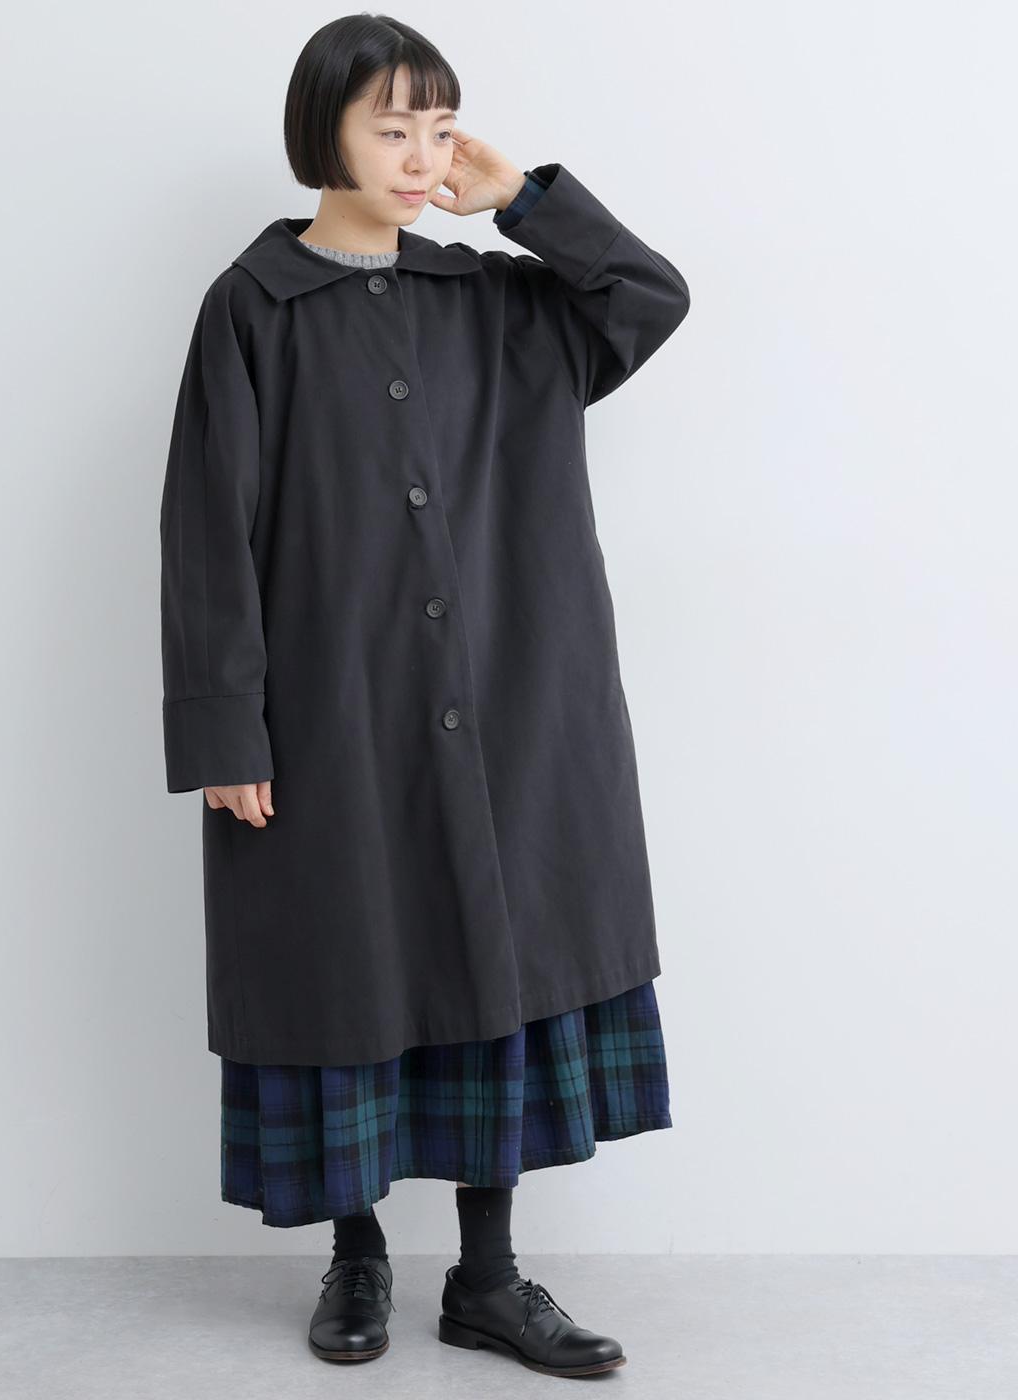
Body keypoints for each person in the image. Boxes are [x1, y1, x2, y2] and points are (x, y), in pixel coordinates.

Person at [159, 13, 690, 1378]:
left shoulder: (497, 304)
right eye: (390, 127)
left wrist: (521, 200)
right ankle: (357, 1259)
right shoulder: (254, 309)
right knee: (350, 967)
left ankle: (490, 1281)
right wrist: (225, 727)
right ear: (322, 135)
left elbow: (648, 297)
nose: (418, 155)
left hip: (511, 707)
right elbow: (208, 528)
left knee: (489, 966)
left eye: (439, 129)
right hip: (333, 716)